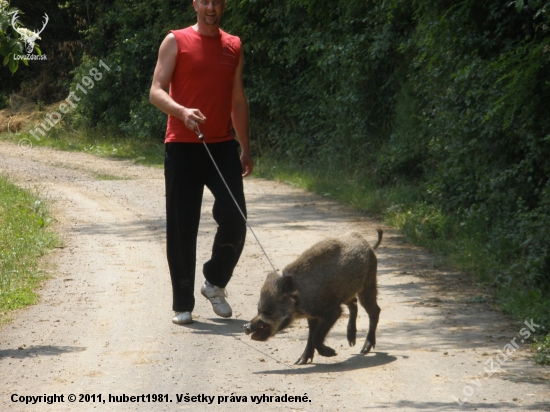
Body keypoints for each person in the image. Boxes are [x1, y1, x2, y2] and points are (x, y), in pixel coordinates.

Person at [149, 0, 253, 325]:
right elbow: (155, 91)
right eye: (205, 0)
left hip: (221, 146)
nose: (211, 7)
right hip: (182, 145)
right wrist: (182, 111)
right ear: (195, 3)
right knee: (183, 227)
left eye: (217, 2)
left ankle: (214, 282)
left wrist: (246, 148)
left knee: (236, 218)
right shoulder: (175, 41)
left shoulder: (233, 45)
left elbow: (237, 99)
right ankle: (182, 302)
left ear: (223, 6)